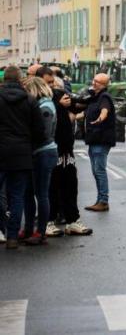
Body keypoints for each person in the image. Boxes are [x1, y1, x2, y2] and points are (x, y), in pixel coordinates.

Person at [0, 66, 46, 250]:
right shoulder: (30, 100)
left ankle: (3, 226)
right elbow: (40, 131)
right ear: (20, 79)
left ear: (4, 80)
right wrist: (28, 145)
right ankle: (12, 237)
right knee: (17, 196)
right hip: (22, 154)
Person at [49, 77, 92, 235]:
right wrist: (59, 104)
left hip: (67, 149)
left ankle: (72, 220)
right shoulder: (42, 99)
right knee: (51, 187)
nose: (54, 87)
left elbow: (79, 105)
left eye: (56, 85)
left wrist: (93, 95)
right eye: (50, 83)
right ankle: (48, 220)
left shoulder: (61, 96)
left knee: (70, 184)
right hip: (51, 148)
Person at [23, 77, 59, 246]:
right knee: (29, 192)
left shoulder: (45, 107)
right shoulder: (43, 104)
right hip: (40, 152)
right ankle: (30, 228)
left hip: (43, 152)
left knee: (41, 193)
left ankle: (41, 231)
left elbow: (42, 133)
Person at [84, 73, 116, 212]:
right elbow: (85, 112)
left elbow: (105, 110)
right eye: (94, 80)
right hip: (93, 139)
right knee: (95, 171)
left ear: (104, 85)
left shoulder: (104, 97)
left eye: (98, 82)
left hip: (101, 139)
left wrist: (101, 118)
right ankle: (100, 200)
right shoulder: (94, 98)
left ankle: (103, 201)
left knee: (99, 170)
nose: (94, 83)